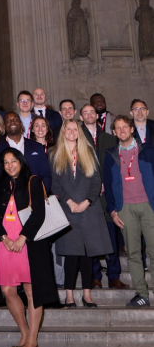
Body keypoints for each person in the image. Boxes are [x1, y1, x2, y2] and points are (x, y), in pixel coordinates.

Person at [0, 148, 58, 347]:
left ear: (21, 162)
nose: (10, 165)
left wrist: (22, 238)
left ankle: (32, 340)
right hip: (5, 243)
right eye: (6, 162)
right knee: (7, 291)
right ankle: (24, 333)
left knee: (32, 292)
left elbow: (39, 213)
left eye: (14, 161)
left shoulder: (33, 181)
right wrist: (4, 238)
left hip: (29, 243)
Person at [50, 119, 112, 308]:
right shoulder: (53, 154)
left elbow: (96, 181)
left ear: (79, 132)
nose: (71, 132)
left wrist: (87, 202)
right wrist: (69, 201)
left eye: (75, 129)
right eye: (68, 129)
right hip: (67, 210)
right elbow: (54, 182)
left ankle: (87, 295)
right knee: (70, 256)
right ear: (63, 131)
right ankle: (69, 295)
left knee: (87, 255)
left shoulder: (89, 152)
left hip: (88, 210)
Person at [104, 115, 154, 307]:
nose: (122, 130)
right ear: (114, 132)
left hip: (149, 207)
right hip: (125, 209)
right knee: (133, 253)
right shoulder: (111, 155)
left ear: (132, 129)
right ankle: (142, 293)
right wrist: (113, 211)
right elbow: (107, 185)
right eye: (118, 128)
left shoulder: (148, 151)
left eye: (125, 126)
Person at [80, 104, 126, 290]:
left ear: (97, 116)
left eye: (92, 112)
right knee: (91, 238)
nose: (90, 115)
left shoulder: (109, 138)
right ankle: (95, 276)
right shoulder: (78, 138)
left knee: (111, 236)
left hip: (107, 195)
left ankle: (114, 275)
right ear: (81, 117)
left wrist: (108, 183)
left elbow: (116, 165)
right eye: (86, 113)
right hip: (87, 195)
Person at [0, 112, 51, 193]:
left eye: (15, 119)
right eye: (8, 120)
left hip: (35, 196)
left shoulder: (37, 147)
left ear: (21, 124)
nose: (12, 122)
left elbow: (46, 174)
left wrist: (41, 194)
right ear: (3, 126)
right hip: (10, 199)